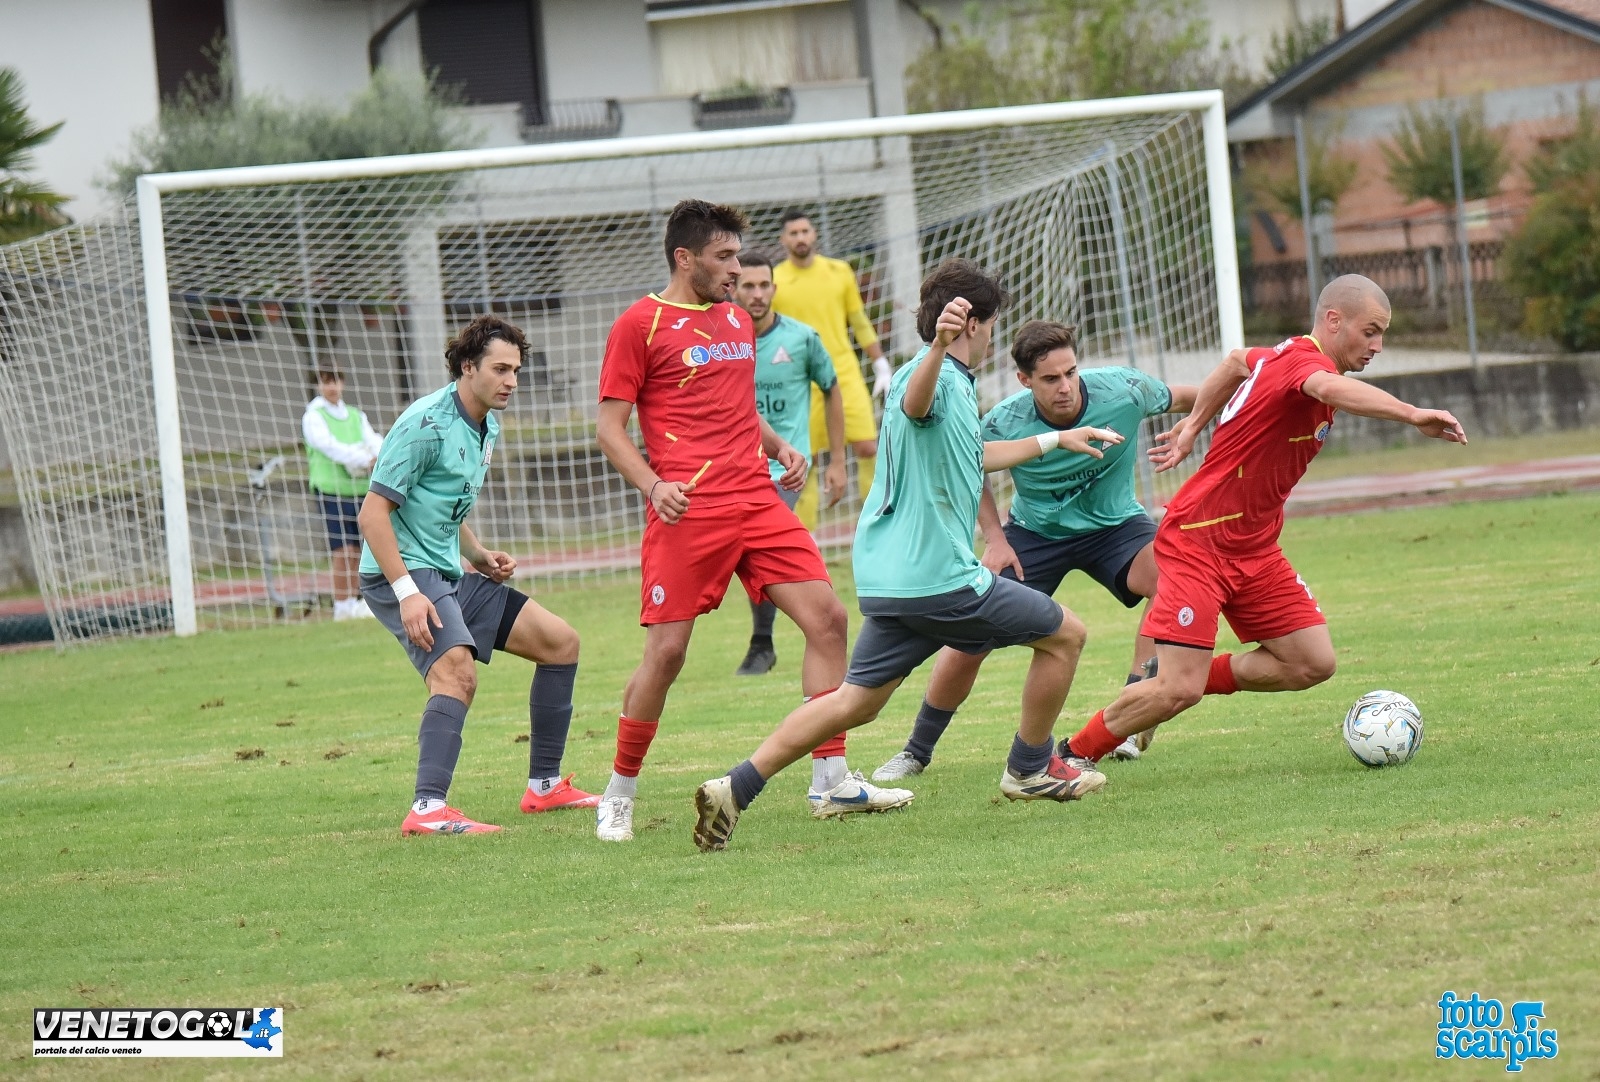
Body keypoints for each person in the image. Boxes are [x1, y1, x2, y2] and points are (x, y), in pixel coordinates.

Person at [692, 259, 1125, 853]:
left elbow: (972, 452)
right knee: (1066, 635)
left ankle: (734, 787)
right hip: (938, 577)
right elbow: (919, 406)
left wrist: (1055, 439)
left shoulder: (927, 377)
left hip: (890, 578)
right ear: (974, 324)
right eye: (991, 324)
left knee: (855, 702)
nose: (992, 335)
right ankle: (1030, 769)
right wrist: (941, 350)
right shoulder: (936, 376)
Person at [593, 199, 912, 844]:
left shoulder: (737, 318)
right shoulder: (640, 324)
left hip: (758, 501)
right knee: (668, 654)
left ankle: (831, 780)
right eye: (725, 256)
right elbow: (609, 428)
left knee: (828, 620)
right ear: (685, 258)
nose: (737, 269)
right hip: (690, 509)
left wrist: (780, 445)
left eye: (739, 255)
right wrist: (654, 485)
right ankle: (618, 793)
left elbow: (736, 406)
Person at [1056, 274, 1467, 771]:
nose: (1378, 345)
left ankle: (1168, 674)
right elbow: (1327, 387)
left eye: (1382, 334)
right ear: (1334, 320)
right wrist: (1412, 413)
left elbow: (1235, 361)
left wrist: (1194, 425)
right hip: (1199, 541)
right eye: (1371, 331)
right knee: (1178, 690)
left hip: (1254, 548)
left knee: (1311, 662)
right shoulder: (1304, 364)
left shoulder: (1280, 355)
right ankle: (1069, 756)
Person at [872, 320, 1198, 781]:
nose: (1065, 386)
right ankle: (915, 751)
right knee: (969, 637)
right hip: (1035, 534)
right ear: (1024, 380)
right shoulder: (1004, 421)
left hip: (1115, 526)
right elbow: (972, 466)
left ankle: (1132, 710)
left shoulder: (1124, 390)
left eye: (1071, 373)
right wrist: (995, 538)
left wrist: (1194, 424)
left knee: (1174, 580)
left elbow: (1192, 395)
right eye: (1050, 378)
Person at [358, 316, 600, 837]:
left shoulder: (487, 423)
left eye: (516, 370)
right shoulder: (426, 424)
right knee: (456, 675)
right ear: (468, 367)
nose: (512, 380)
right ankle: (428, 810)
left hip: (445, 572)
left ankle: (545, 786)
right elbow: (373, 514)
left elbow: (445, 504)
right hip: (403, 572)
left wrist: (478, 554)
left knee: (560, 642)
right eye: (500, 369)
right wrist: (407, 594)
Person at [733, 248, 847, 677]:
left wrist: (837, 461)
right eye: (748, 285)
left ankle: (764, 643)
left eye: (764, 285)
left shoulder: (801, 339)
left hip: (786, 468)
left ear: (774, 288)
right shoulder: (722, 344)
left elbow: (832, 388)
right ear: (734, 289)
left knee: (759, 549)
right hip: (735, 467)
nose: (757, 294)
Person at [771, 209, 891, 527]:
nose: (800, 238)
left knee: (867, 446)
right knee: (802, 460)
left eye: (805, 231)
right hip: (799, 381)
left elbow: (859, 321)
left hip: (843, 373)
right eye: (793, 233)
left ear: (814, 235)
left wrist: (880, 363)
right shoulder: (775, 281)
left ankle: (876, 523)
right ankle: (804, 534)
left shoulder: (839, 272)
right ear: (783, 240)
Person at [302, 368, 384, 620]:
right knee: (343, 551)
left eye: (336, 380)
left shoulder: (355, 415)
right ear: (318, 385)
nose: (332, 387)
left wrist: (379, 454)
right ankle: (341, 606)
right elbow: (328, 446)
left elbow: (373, 440)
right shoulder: (313, 416)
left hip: (359, 489)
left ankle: (357, 602)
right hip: (331, 490)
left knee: (360, 550)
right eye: (326, 382)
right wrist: (361, 459)